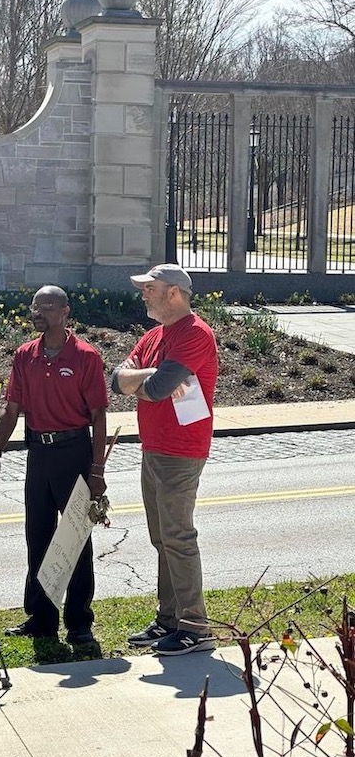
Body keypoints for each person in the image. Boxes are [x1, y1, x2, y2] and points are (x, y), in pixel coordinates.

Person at [0, 285, 108, 645]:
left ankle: (80, 622)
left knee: (75, 540)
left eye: (47, 307)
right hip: (39, 453)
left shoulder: (85, 356)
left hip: (74, 453)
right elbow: (10, 410)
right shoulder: (25, 355)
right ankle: (41, 619)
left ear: (65, 312)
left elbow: (99, 417)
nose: (37, 313)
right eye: (35, 307)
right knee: (37, 537)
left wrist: (97, 471)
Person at [111, 264, 218, 656]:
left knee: (178, 538)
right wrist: (151, 376)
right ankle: (169, 619)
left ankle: (195, 627)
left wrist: (143, 380)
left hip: (181, 450)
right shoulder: (154, 335)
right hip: (153, 447)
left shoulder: (196, 334)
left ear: (174, 292)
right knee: (163, 539)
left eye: (150, 288)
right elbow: (115, 379)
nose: (143, 294)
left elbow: (153, 389)